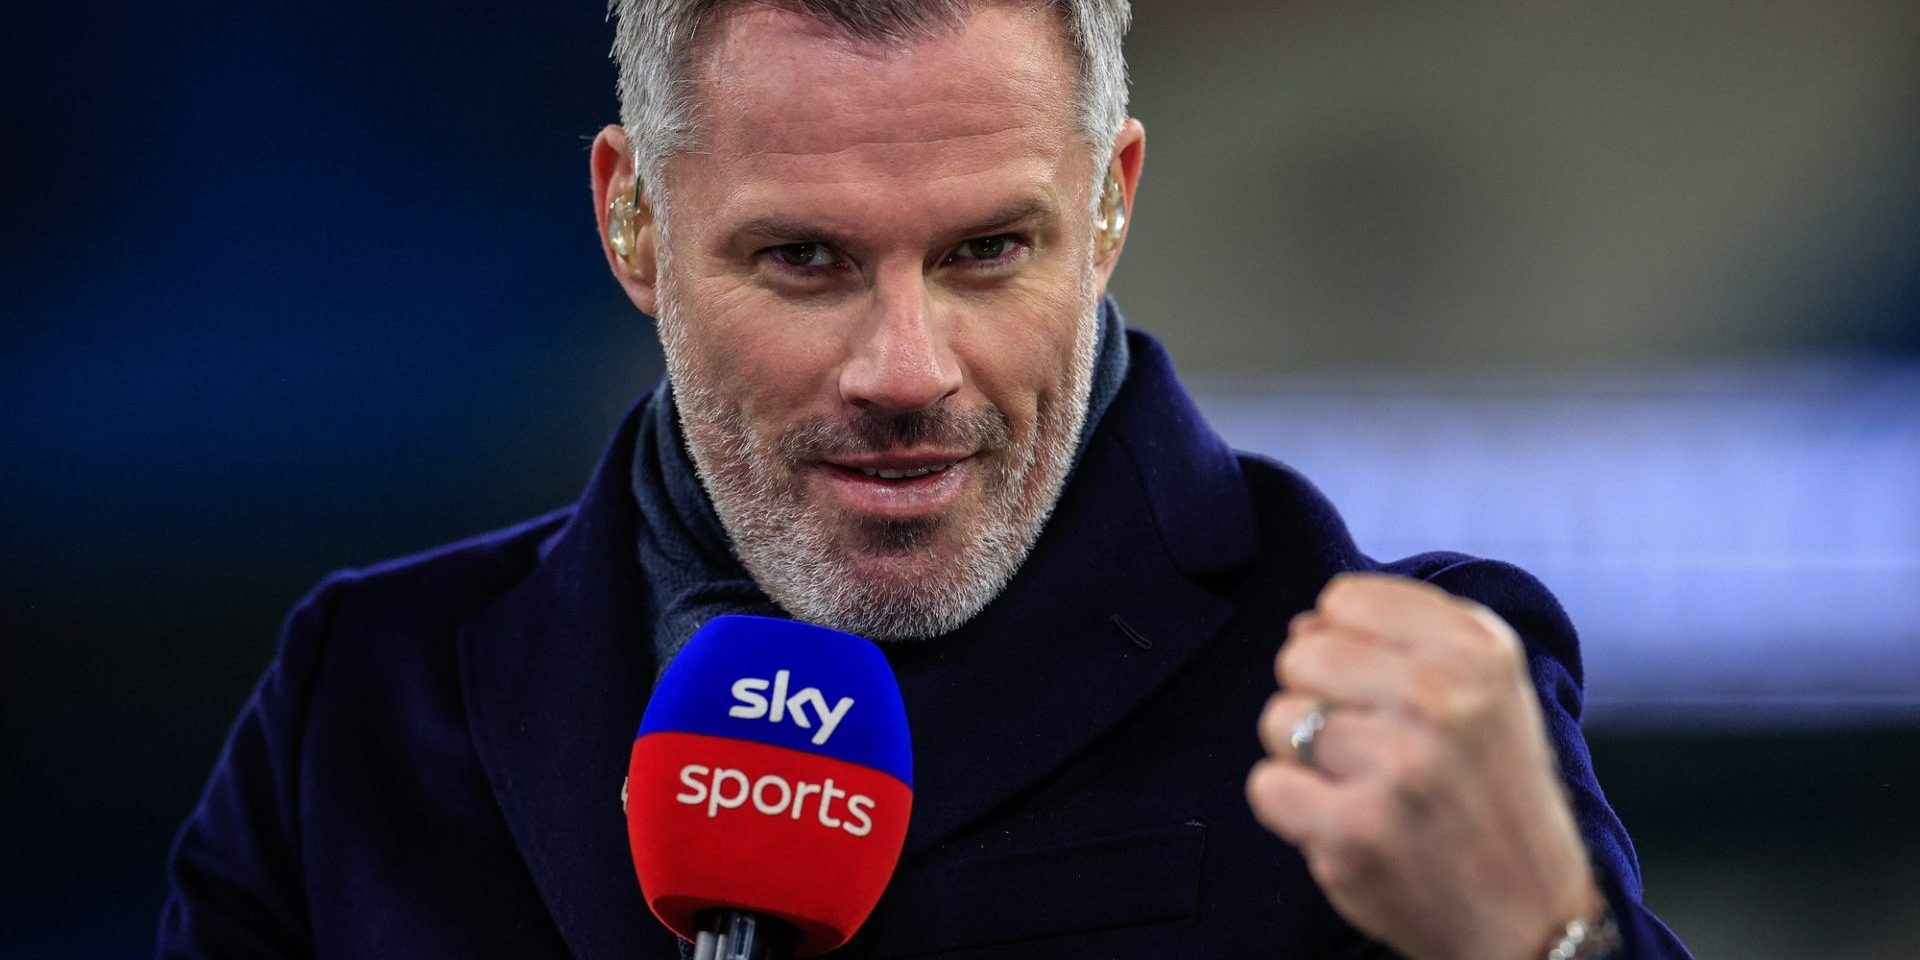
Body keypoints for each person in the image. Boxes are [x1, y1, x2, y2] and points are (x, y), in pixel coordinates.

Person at [159, 2, 1693, 958]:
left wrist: (1547, 947)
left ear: (1110, 205)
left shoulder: (1387, 697)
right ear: (630, 222)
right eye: (805, 258)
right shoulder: (357, 702)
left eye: (985, 253)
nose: (907, 368)